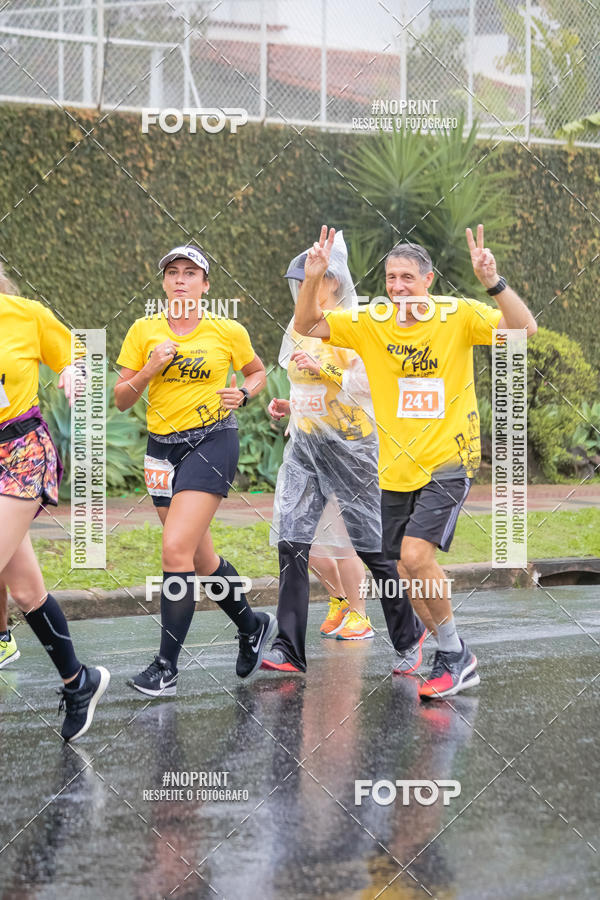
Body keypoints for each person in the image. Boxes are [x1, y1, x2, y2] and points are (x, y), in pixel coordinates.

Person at [293, 224, 537, 699]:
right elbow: (306, 325)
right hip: (396, 469)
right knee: (405, 573)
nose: (398, 287)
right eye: (390, 278)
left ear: (428, 281)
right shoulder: (371, 321)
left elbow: (524, 329)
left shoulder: (458, 315)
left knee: (414, 556)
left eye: (407, 277)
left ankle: (451, 654)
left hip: (451, 457)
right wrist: (313, 277)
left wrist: (494, 282)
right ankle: (455, 654)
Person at [115, 245, 275, 696]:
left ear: (205, 284)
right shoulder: (143, 330)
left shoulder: (227, 330)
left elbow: (257, 372)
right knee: (199, 559)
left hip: (212, 441)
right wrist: (150, 366)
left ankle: (166, 667)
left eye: (191, 273)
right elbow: (122, 398)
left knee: (174, 551)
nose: (181, 279)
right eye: (173, 272)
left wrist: (244, 393)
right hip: (160, 452)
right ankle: (251, 624)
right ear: (163, 283)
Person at [261, 232, 425, 673]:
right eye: (299, 280)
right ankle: (288, 648)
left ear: (333, 280)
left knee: (372, 548)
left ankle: (410, 636)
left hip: (353, 450)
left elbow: (371, 387)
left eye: (312, 278)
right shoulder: (298, 327)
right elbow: (305, 388)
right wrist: (289, 406)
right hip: (306, 449)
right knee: (292, 542)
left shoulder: (360, 324)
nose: (303, 286)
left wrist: (328, 367)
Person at [0, 262, 110, 740]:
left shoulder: (25, 316)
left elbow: (78, 355)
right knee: (25, 591)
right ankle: (78, 681)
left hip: (23, 453)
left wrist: (73, 374)